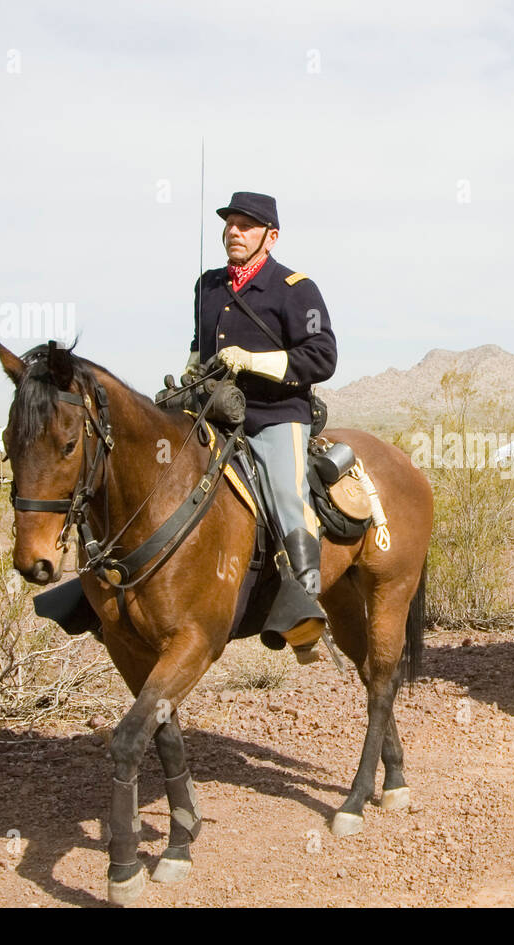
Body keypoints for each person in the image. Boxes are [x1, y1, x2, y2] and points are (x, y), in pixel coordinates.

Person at [191, 191, 338, 656]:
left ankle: (303, 613)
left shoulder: (296, 288)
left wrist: (254, 361)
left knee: (287, 494)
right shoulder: (207, 286)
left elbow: (322, 357)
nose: (235, 231)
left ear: (270, 237)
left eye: (247, 225)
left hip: (276, 415)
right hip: (214, 412)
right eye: (230, 223)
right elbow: (198, 348)